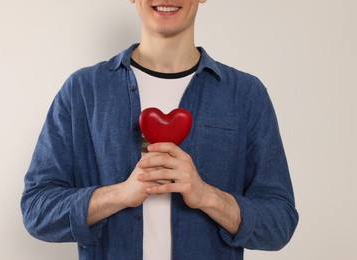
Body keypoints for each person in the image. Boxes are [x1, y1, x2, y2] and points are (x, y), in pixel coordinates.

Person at [21, 1, 299, 259]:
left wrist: (206, 196)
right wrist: (119, 194)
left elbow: (279, 223)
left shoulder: (247, 95)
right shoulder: (83, 90)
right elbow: (36, 210)